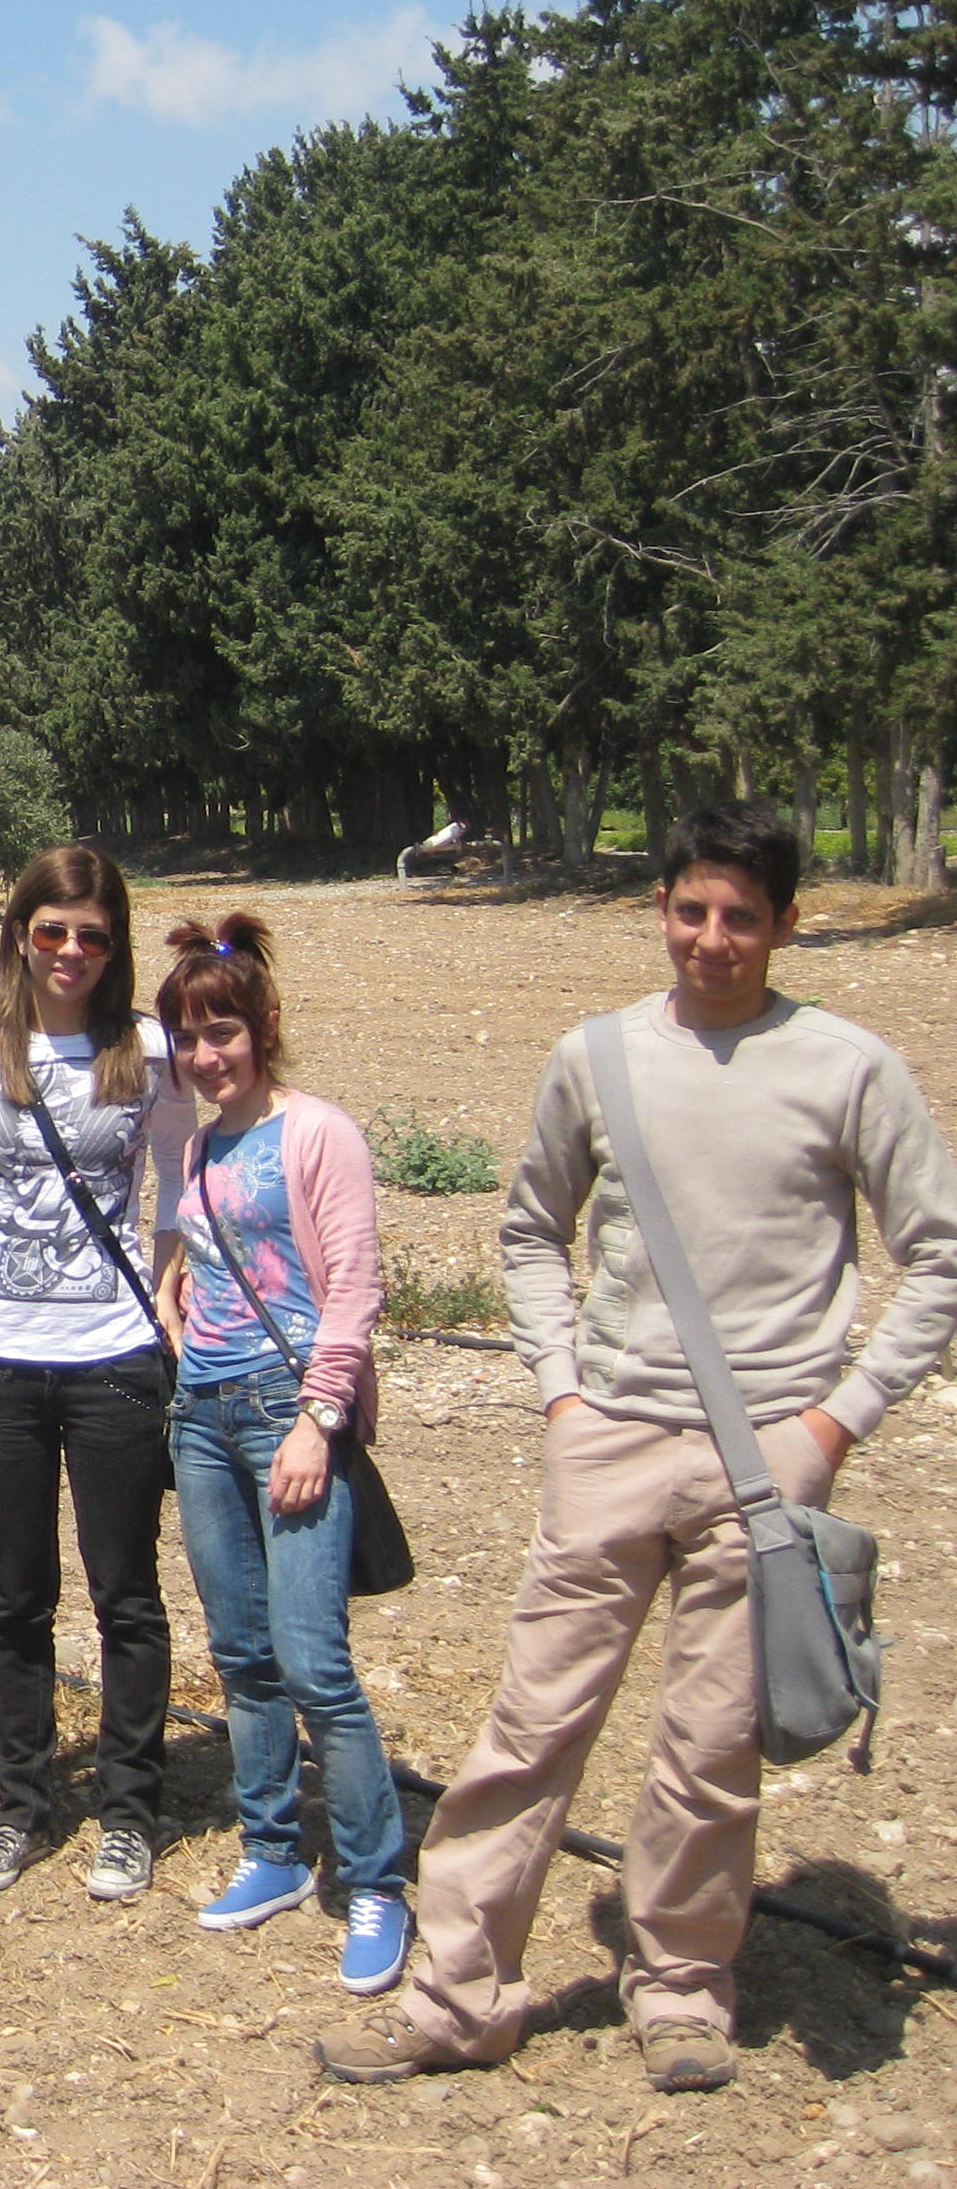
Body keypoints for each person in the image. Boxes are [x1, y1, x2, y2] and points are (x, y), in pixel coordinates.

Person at [320, 802, 957, 2094]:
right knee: (529, 1730)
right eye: (692, 911)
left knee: (711, 1754)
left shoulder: (847, 1068)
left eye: (742, 916)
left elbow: (938, 1257)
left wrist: (833, 1423)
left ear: (787, 924)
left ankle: (681, 1993)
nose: (713, 938)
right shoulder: (597, 1057)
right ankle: (459, 1998)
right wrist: (564, 1397)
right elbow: (529, 1231)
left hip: (765, 1467)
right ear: (661, 910)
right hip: (609, 1440)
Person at [0, 843, 192, 1903]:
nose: (71, 952)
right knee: (16, 1599)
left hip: (112, 1360)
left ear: (115, 948)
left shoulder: (148, 1050)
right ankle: (22, 1807)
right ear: (19, 936)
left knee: (127, 1594)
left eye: (94, 936)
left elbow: (182, 1182)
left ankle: (128, 1812)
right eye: (52, 931)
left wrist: (168, 1288)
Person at [147, 915, 409, 1994]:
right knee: (241, 1654)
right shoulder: (202, 1146)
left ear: (264, 1026)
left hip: (285, 1413)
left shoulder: (318, 1133)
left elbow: (353, 1288)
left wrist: (317, 1418)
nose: (206, 1055)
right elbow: (208, 1262)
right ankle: (271, 1849)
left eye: (222, 1033)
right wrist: (175, 1300)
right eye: (188, 1039)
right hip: (202, 1412)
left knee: (313, 1660)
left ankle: (376, 1878)